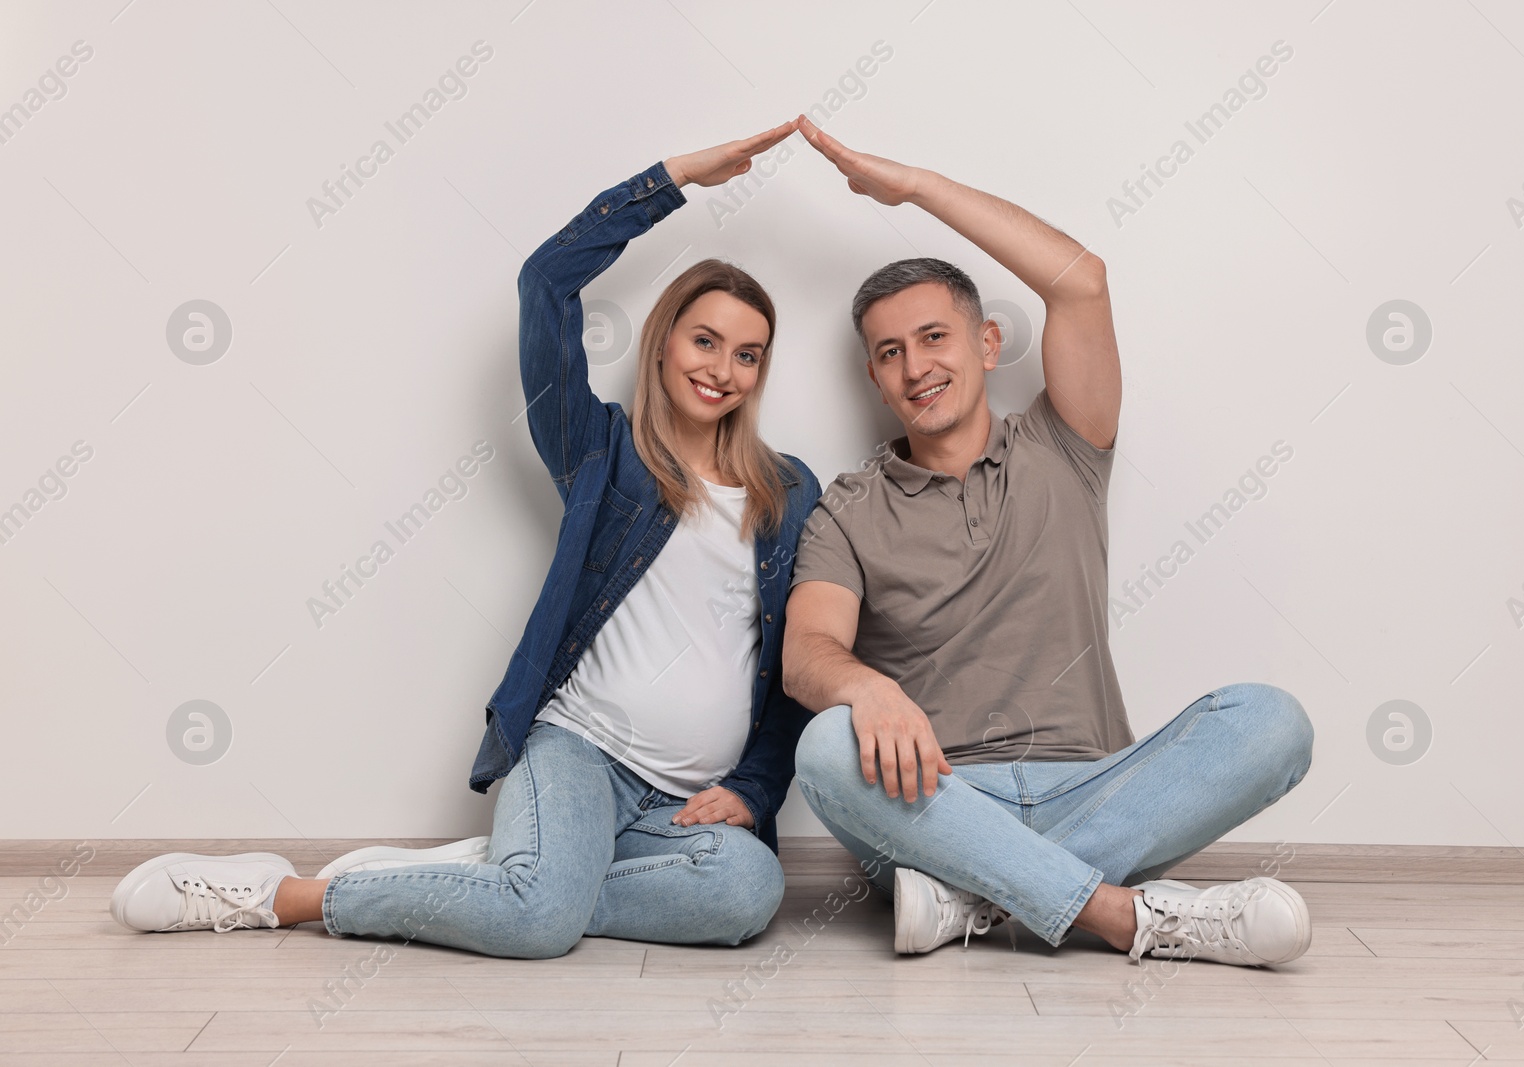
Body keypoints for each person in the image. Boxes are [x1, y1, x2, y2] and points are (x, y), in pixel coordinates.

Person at [111, 123, 824, 959]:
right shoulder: (604, 451)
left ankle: (517, 874)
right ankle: (284, 894)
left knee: (747, 888)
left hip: (689, 802)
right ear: (665, 340)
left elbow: (789, 673)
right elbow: (546, 283)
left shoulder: (788, 491)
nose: (723, 369)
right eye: (705, 340)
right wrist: (670, 180)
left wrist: (752, 787)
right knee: (539, 925)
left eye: (747, 354)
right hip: (579, 752)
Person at [782, 115, 1317, 965]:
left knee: (1273, 722)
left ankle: (980, 900)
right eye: (890, 352)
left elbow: (1081, 281)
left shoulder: (1062, 445)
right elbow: (807, 650)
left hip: (1093, 779)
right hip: (934, 800)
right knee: (825, 744)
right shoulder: (847, 508)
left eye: (934, 337)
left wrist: (915, 185)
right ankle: (1119, 914)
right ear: (877, 380)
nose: (916, 365)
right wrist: (865, 689)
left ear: (987, 343)